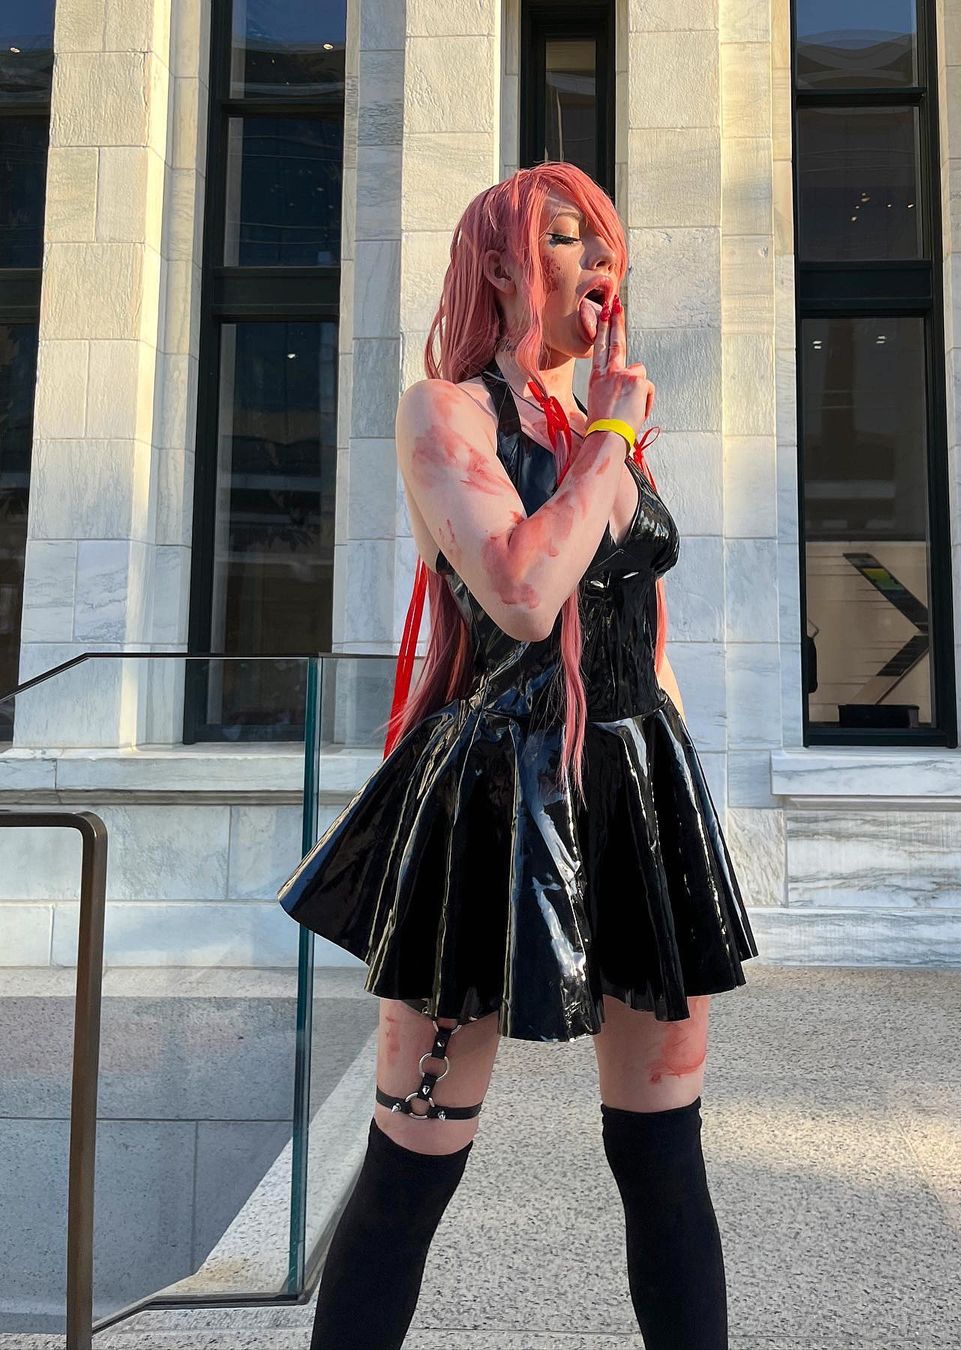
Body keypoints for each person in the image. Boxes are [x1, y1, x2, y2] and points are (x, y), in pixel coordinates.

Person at [278, 161, 759, 1350]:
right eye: (565, 238)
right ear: (499, 266)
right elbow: (524, 595)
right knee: (413, 1160)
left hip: (635, 787)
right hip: (493, 799)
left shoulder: (599, 427)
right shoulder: (447, 412)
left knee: (666, 1155)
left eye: (605, 241)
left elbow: (641, 635)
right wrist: (611, 438)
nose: (601, 261)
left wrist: (686, 811)